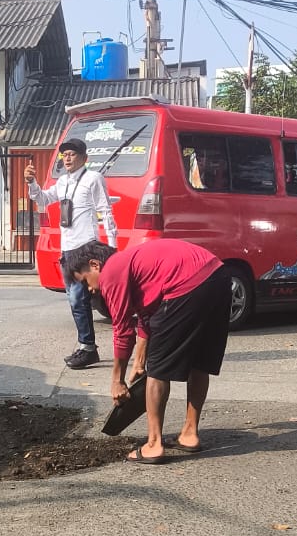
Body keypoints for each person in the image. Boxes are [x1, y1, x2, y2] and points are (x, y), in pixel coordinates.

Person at [68, 238, 232, 465]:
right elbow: (147, 318)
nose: (89, 288)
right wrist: (138, 363)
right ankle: (189, 434)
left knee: (158, 372)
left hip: (185, 284)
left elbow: (123, 330)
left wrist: (118, 380)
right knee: (198, 362)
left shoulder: (112, 271)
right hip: (219, 277)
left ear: (95, 265)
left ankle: (154, 445)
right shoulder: (137, 264)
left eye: (84, 280)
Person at [24, 137, 118, 370]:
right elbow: (43, 199)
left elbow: (105, 211)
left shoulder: (93, 179)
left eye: (72, 154)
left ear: (84, 158)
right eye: (64, 154)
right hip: (68, 249)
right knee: (77, 300)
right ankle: (87, 347)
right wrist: (32, 183)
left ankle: (98, 346)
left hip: (87, 247)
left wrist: (113, 247)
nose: (66, 157)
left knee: (94, 298)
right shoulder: (62, 181)